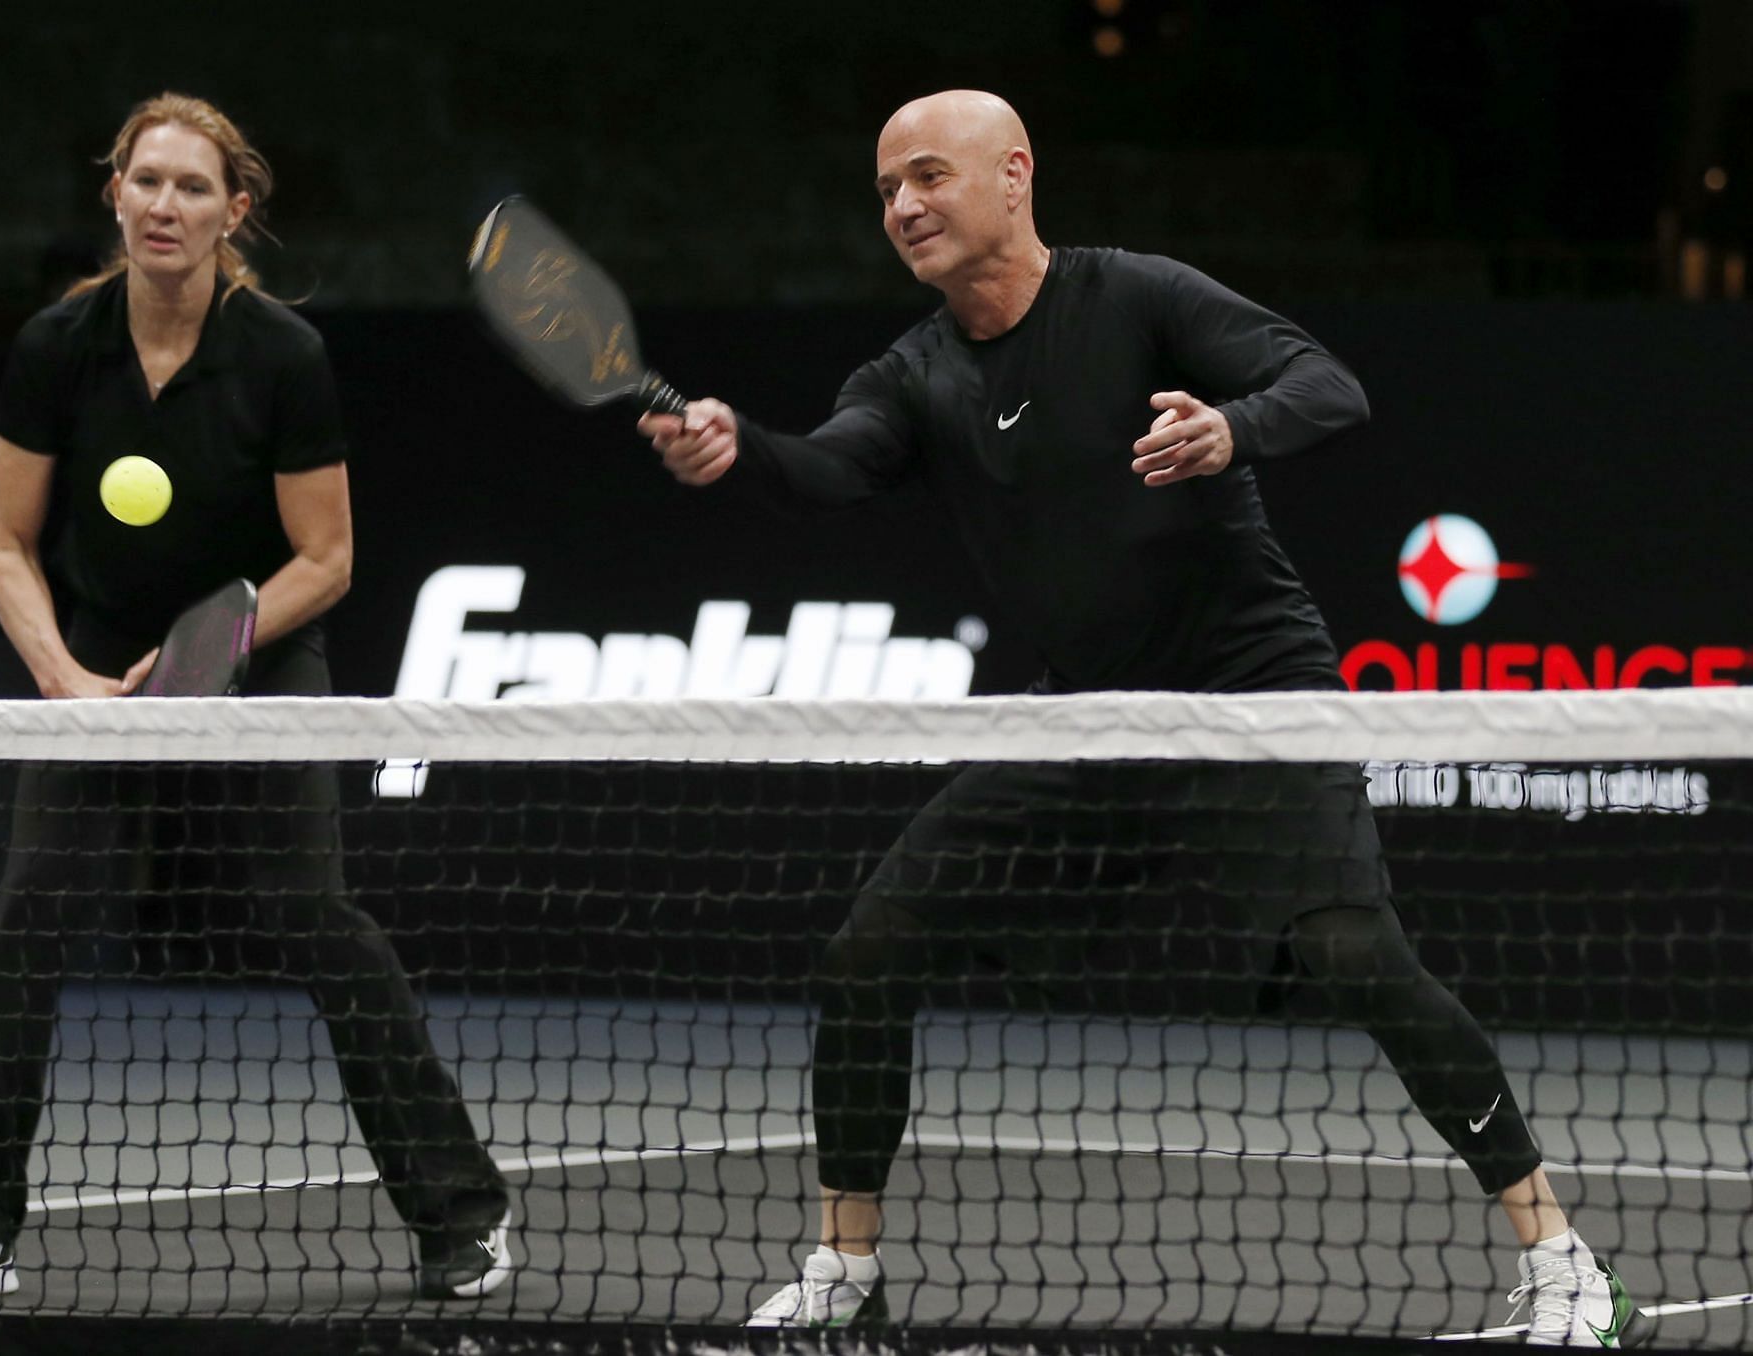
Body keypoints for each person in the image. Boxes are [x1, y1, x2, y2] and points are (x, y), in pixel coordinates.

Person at [638, 90, 1637, 1348]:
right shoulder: (917, 372)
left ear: (1014, 175)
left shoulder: (1140, 298)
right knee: (869, 951)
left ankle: (1564, 1263)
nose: (903, 208)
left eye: (929, 177)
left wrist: (1233, 428)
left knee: (1353, 959)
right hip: (1087, 725)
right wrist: (743, 450)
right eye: (887, 189)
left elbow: (1327, 386)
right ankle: (846, 1266)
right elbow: (834, 464)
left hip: (1249, 699)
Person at [0, 93, 512, 1306]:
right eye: (146, 182)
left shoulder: (283, 356)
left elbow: (326, 557)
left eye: (193, 187)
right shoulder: (56, 347)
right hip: (100, 656)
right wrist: (71, 682)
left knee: (318, 925)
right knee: (26, 928)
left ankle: (465, 1214)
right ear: (115, 195)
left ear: (234, 210)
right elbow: (7, 546)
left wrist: (209, 656)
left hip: (261, 658)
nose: (165, 205)